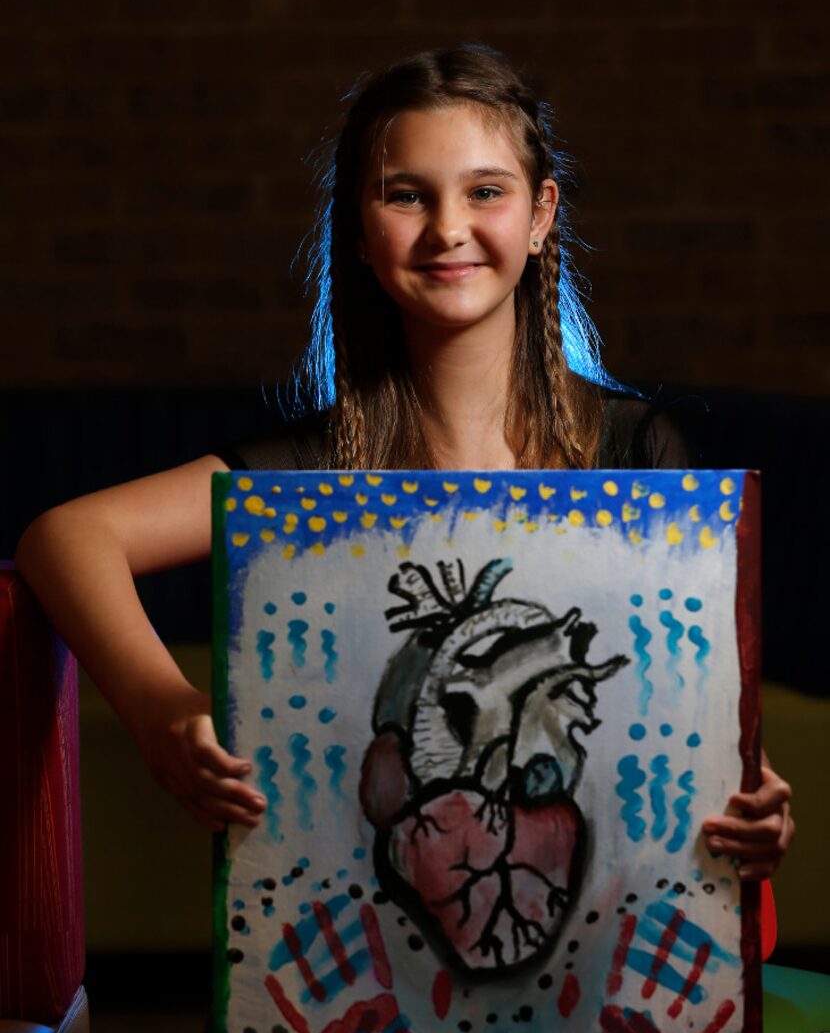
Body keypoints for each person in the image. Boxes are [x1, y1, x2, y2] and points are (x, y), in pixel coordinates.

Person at [15, 44, 792, 879]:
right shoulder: (314, 470)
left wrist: (749, 789)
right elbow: (67, 535)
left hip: (613, 909)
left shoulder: (639, 450)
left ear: (540, 216)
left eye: (486, 191)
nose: (449, 227)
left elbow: (683, 703)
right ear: (357, 229)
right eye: (406, 195)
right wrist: (161, 709)